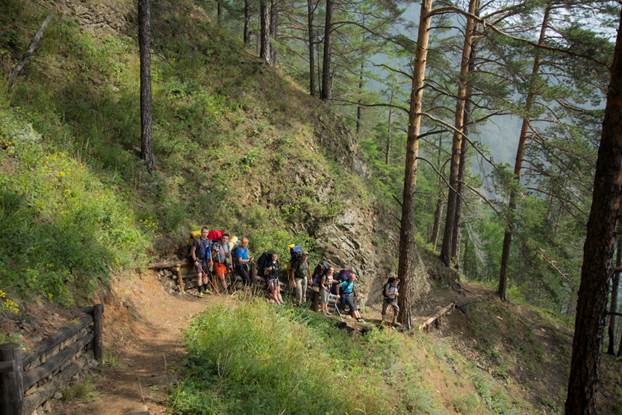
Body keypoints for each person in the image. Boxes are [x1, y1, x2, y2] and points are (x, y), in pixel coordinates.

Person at [190, 227, 213, 297]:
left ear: (208, 233)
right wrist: (195, 261)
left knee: (205, 275)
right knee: (199, 275)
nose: (205, 234)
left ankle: (205, 289)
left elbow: (209, 252)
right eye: (204, 232)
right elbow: (193, 251)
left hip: (206, 260)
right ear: (201, 232)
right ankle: (200, 292)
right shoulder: (196, 241)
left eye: (206, 232)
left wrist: (211, 260)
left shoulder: (208, 241)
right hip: (198, 260)